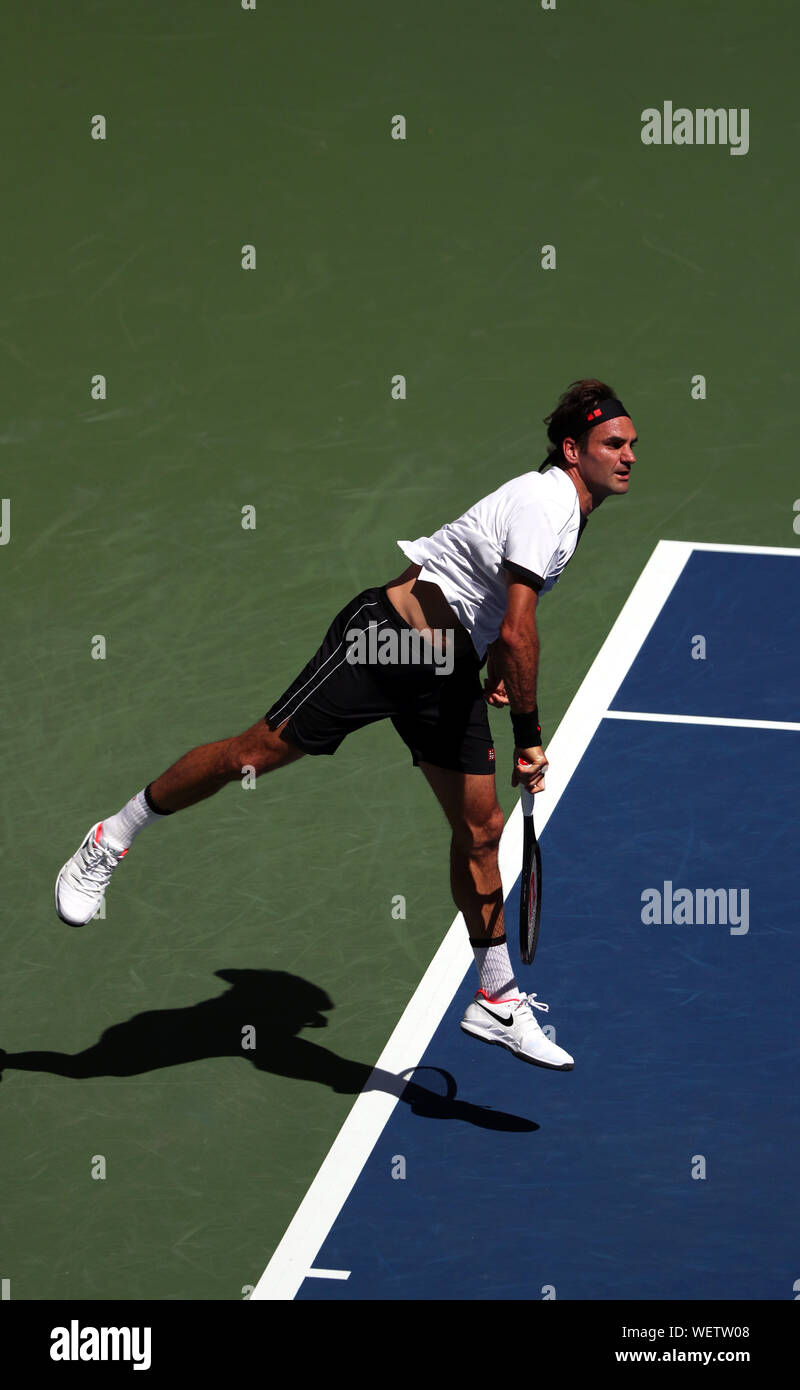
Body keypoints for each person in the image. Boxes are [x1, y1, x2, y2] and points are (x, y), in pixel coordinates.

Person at [55, 378, 636, 1072]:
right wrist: (530, 737)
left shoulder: (569, 510)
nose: (628, 455)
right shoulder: (546, 503)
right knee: (254, 753)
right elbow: (519, 627)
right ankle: (111, 836)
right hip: (384, 644)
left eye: (632, 445)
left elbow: (493, 615)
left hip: (446, 673)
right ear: (573, 450)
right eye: (613, 444)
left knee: (482, 829)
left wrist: (485, 660)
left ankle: (497, 997)